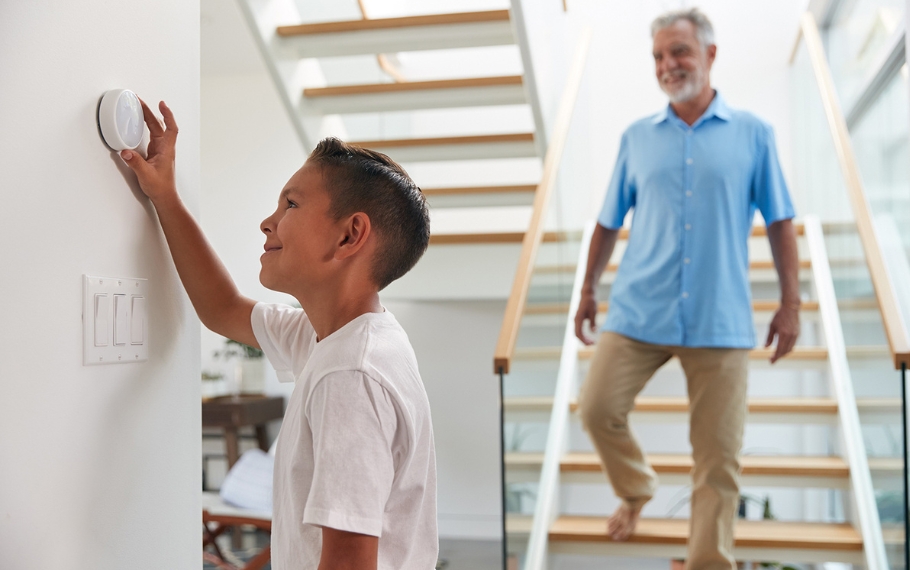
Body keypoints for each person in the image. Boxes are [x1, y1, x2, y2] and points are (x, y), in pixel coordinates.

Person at [117, 100, 438, 569]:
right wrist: (165, 196)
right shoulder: (332, 336)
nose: (268, 221)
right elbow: (222, 308)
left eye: (290, 204)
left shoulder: (350, 373)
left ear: (350, 236)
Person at [573, 8, 800, 569]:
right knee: (598, 408)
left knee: (718, 461)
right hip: (637, 308)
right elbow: (606, 220)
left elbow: (779, 221)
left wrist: (790, 303)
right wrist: (587, 289)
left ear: (710, 54)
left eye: (678, 51)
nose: (667, 65)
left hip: (720, 317)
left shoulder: (754, 134)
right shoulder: (636, 138)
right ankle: (636, 487)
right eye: (657, 56)